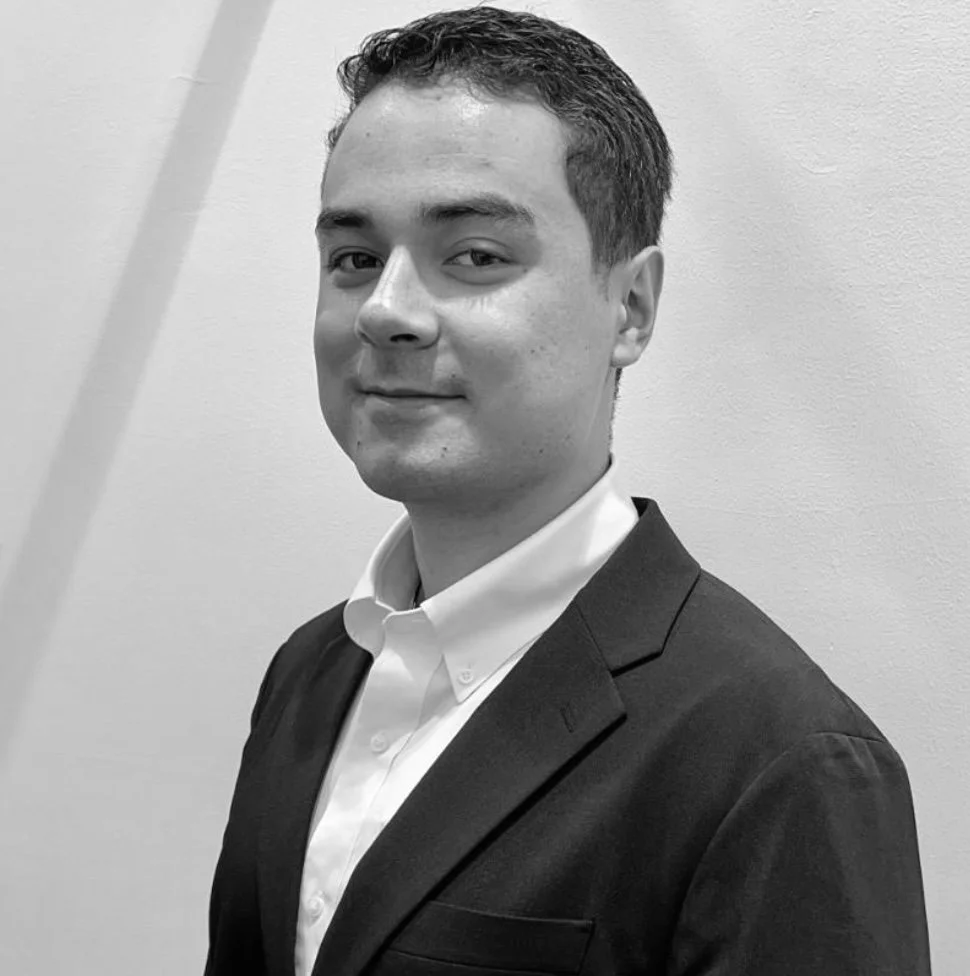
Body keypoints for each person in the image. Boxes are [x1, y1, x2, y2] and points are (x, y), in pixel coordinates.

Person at [204, 6, 932, 975]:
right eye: (355, 258)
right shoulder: (312, 673)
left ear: (630, 307)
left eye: (475, 256)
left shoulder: (777, 758)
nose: (385, 310)